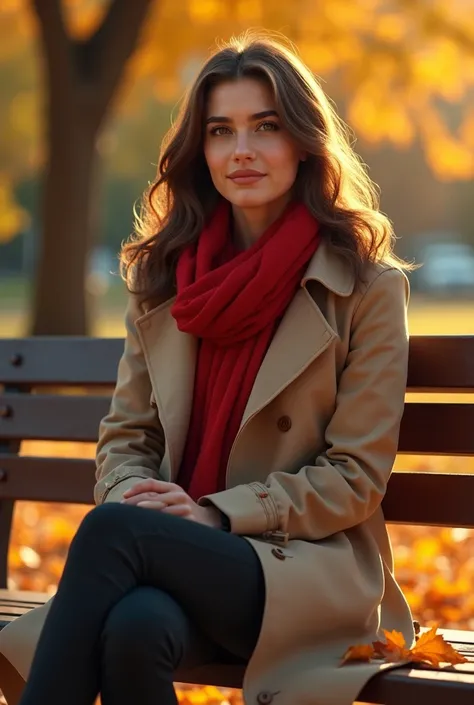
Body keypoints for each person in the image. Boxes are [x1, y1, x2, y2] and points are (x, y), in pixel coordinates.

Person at [0, 30, 414, 705]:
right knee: (135, 627)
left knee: (112, 531)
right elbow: (126, 438)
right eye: (221, 131)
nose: (241, 150)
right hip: (165, 559)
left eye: (266, 127)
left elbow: (355, 478)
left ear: (304, 142)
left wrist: (215, 516)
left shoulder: (364, 286)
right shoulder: (165, 281)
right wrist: (142, 496)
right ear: (202, 151)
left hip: (299, 573)